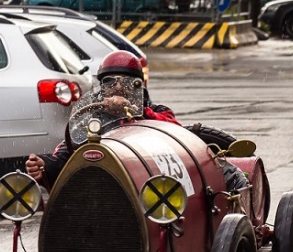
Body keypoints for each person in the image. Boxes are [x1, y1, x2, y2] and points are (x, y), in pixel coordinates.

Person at [26, 50, 181, 186]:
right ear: (102, 88)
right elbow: (66, 156)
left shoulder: (156, 112)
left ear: (138, 86)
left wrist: (135, 112)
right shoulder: (90, 121)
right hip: (102, 189)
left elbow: (176, 133)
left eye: (126, 82)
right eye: (110, 81)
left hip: (149, 185)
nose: (118, 87)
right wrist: (44, 166)